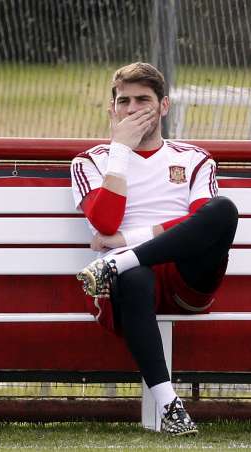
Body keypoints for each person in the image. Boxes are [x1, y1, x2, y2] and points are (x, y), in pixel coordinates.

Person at [71, 62, 238, 436]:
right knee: (133, 275)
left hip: (186, 281)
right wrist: (120, 151)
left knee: (222, 210)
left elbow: (203, 226)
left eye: (143, 100)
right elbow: (105, 224)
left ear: (164, 106)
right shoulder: (90, 161)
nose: (132, 110)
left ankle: (119, 262)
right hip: (123, 291)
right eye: (124, 101)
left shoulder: (194, 158)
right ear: (112, 110)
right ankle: (169, 405)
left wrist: (127, 243)